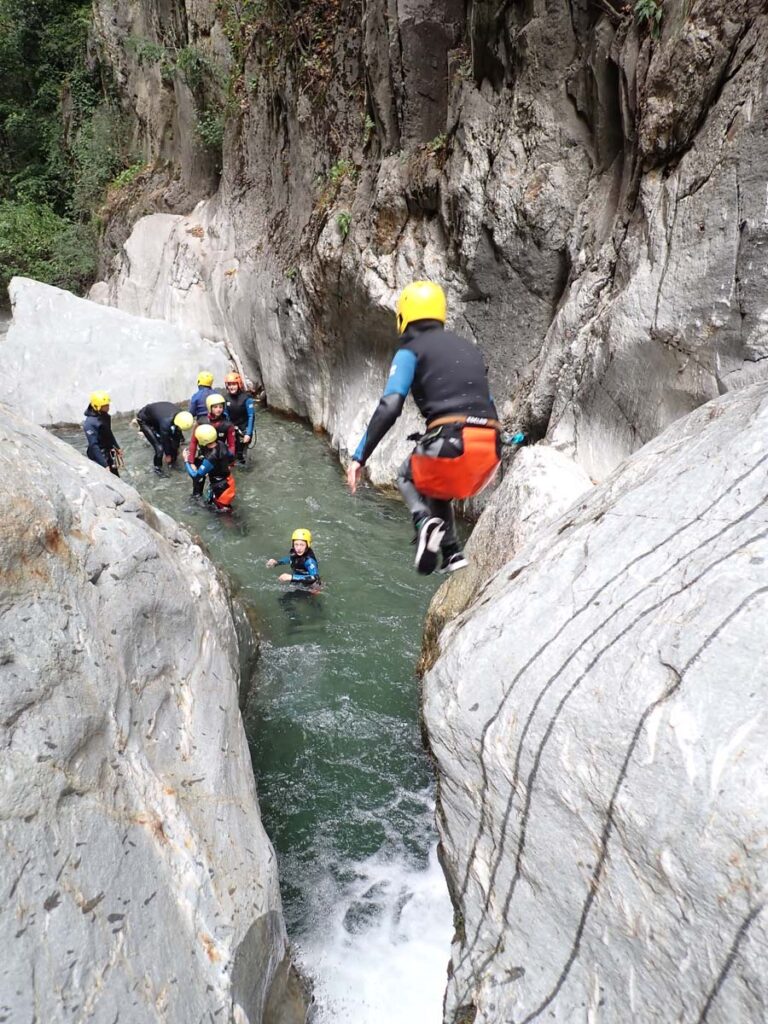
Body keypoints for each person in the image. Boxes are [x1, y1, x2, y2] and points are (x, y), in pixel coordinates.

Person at [346, 281, 501, 576]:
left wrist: (359, 458)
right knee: (435, 484)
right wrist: (493, 463)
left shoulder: (410, 351)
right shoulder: (470, 350)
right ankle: (452, 552)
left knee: (406, 475)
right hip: (489, 448)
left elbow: (390, 406)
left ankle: (422, 521)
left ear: (404, 315)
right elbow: (488, 405)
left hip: (452, 440)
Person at [185, 393, 236, 497]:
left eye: (221, 407)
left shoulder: (228, 425)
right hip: (203, 455)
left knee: (216, 485)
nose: (218, 409)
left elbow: (231, 445)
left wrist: (230, 463)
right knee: (197, 484)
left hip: (217, 459)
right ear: (210, 407)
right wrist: (191, 461)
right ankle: (196, 498)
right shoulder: (201, 421)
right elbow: (194, 441)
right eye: (215, 407)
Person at [183, 424, 236, 511]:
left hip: (222, 489)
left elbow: (195, 476)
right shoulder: (221, 444)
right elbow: (231, 457)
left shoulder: (210, 458)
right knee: (220, 507)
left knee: (223, 511)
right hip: (228, 482)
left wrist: (186, 461)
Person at [136, 403, 194, 473]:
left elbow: (177, 436)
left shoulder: (182, 415)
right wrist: (168, 454)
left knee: (175, 444)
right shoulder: (165, 423)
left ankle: (173, 463)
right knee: (159, 449)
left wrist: (175, 448)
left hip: (158, 416)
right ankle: (157, 468)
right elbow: (165, 440)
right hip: (144, 420)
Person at [83, 390, 123, 477]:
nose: (108, 407)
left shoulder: (105, 416)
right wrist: (104, 465)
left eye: (108, 404)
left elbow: (108, 432)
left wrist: (117, 448)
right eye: (105, 406)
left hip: (108, 451)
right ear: (97, 407)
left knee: (116, 476)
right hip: (98, 454)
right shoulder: (89, 424)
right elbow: (93, 445)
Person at [223, 372, 256, 464]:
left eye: (234, 384)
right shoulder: (225, 398)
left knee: (241, 455)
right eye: (229, 385)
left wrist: (248, 434)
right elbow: (225, 415)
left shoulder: (247, 398)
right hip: (232, 429)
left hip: (244, 430)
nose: (231, 387)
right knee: (232, 454)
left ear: (239, 384)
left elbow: (251, 416)